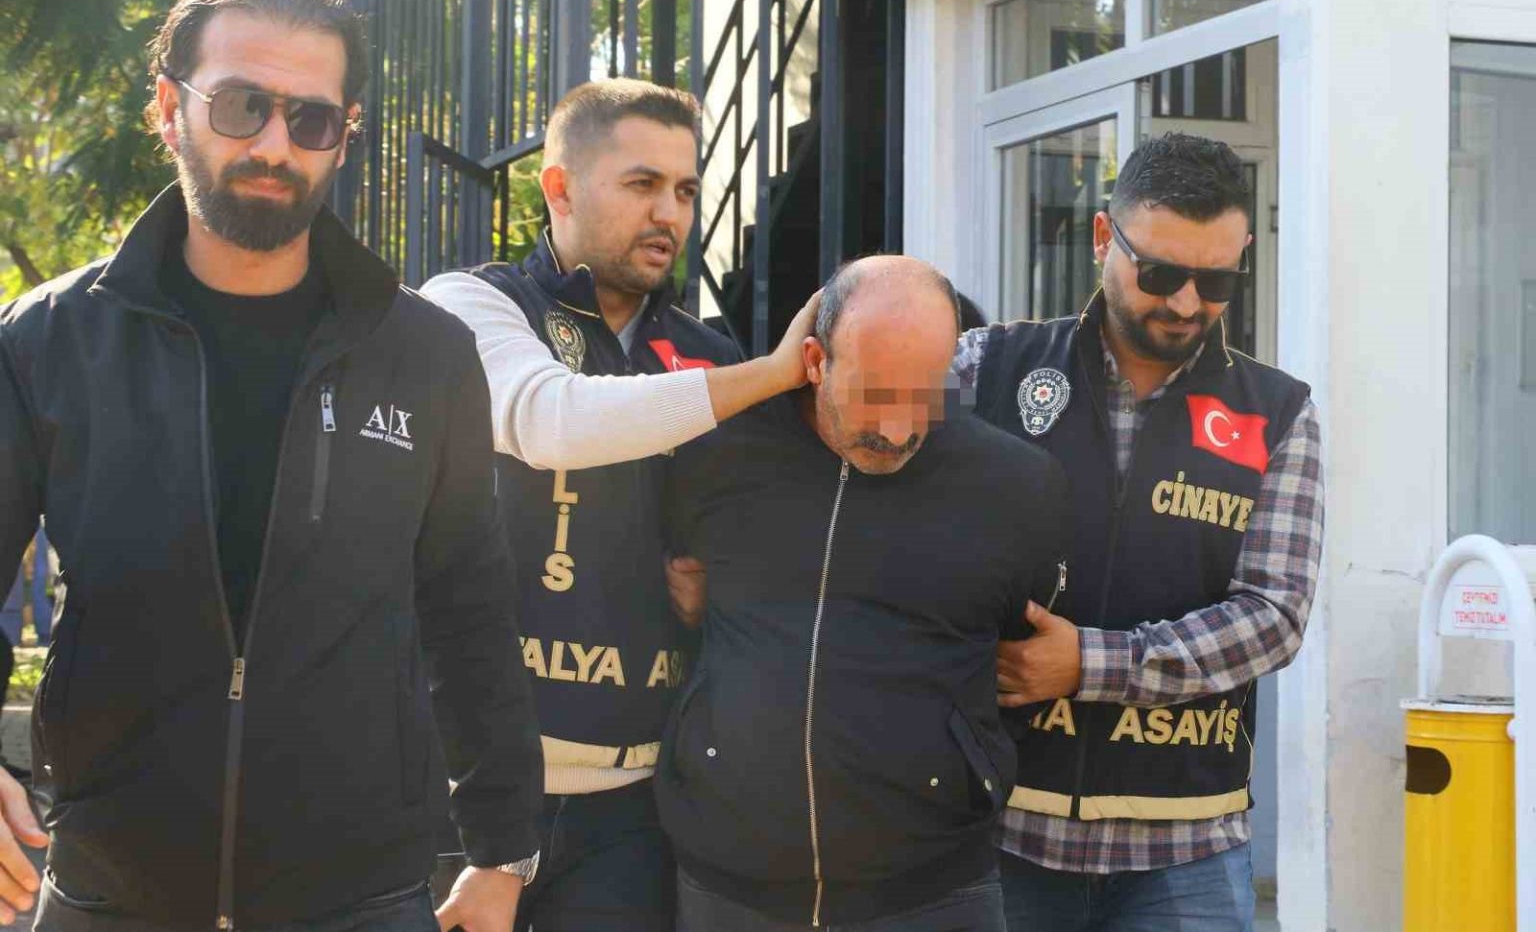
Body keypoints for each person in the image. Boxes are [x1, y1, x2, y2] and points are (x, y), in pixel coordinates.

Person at [0, 0, 542, 932]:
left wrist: (503, 850)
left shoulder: (425, 355)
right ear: (169, 107)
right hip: (109, 887)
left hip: (360, 896)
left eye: (312, 120)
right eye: (243, 105)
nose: (275, 145)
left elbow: (469, 609)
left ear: (345, 136)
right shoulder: (48, 341)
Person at [422, 77, 817, 932]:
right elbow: (549, 417)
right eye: (642, 184)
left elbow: (756, 549)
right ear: (559, 188)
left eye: (685, 190)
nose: (668, 213)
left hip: (633, 810)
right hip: (458, 797)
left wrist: (716, 595)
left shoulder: (709, 354)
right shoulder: (469, 305)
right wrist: (774, 373)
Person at [957, 133, 1324, 931]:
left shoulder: (1279, 412)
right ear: (1103, 237)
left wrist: (1091, 662)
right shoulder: (987, 368)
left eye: (1216, 281)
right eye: (1159, 273)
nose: (1187, 303)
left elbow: (1274, 615)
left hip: (1187, 851)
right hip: (1000, 828)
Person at [656, 255, 1068, 932]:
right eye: (876, 393)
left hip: (936, 893)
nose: (899, 430)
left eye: (924, 394)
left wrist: (959, 767)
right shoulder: (719, 451)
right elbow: (667, 594)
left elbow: (1020, 661)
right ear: (814, 360)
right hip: (730, 884)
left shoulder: (1016, 486)